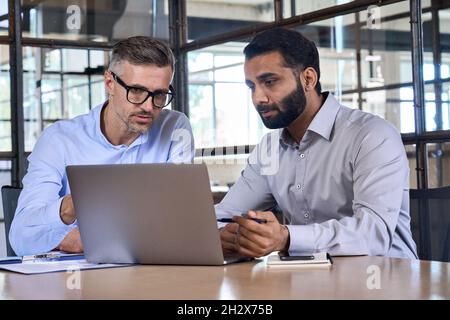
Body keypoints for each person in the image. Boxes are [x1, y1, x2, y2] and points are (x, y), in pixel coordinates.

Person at [216, 28, 418, 259]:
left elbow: (373, 234)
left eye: (269, 82)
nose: (258, 98)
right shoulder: (269, 150)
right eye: (251, 86)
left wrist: (286, 237)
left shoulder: (371, 136)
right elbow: (224, 214)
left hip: (387, 283)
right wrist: (223, 234)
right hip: (310, 282)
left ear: (308, 79)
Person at [10, 36, 194, 256]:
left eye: (159, 95)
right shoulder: (58, 140)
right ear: (110, 84)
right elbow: (20, 238)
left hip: (151, 274)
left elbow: (180, 222)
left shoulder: (175, 128)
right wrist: (69, 208)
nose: (148, 106)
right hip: (77, 281)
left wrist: (97, 237)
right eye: (136, 91)